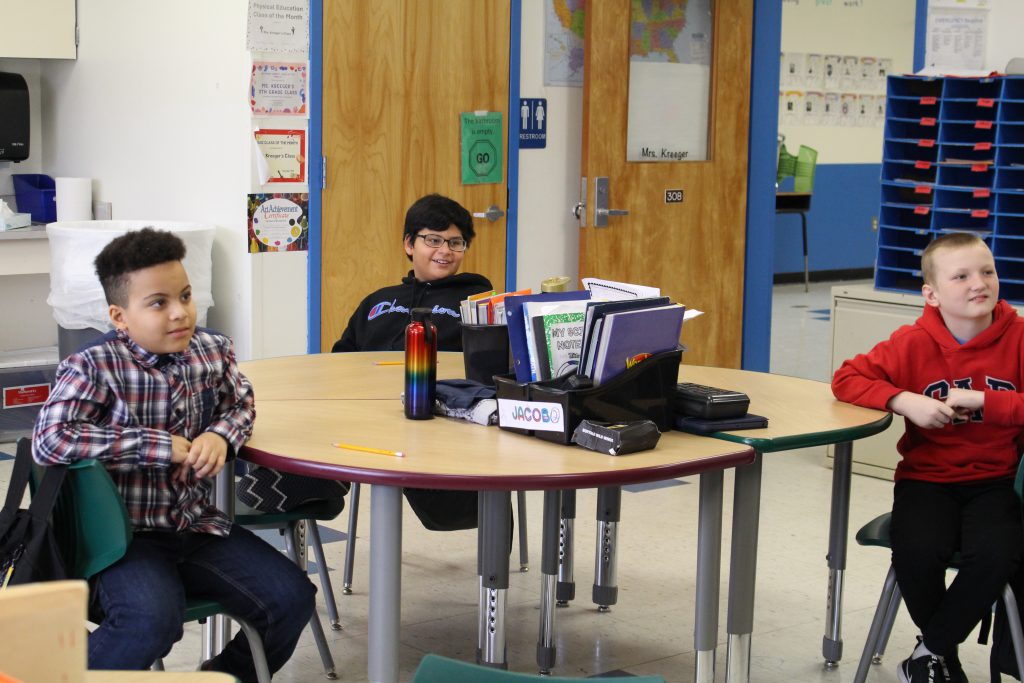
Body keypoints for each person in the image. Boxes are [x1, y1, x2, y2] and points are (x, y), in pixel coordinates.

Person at [32, 228, 315, 681]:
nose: (180, 313)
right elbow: (50, 439)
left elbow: (241, 404)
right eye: (158, 303)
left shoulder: (212, 350)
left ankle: (220, 677)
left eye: (184, 295)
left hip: (192, 525)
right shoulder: (93, 366)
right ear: (119, 316)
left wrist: (222, 436)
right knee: (151, 621)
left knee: (292, 598)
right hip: (120, 541)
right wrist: (154, 445)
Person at [832, 232, 1024, 683]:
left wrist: (985, 402)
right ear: (932, 294)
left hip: (995, 481)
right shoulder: (912, 341)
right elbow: (847, 378)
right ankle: (942, 658)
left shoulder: (1017, 338)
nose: (979, 283)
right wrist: (902, 399)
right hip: (926, 480)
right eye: (961, 276)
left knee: (998, 556)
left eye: (987, 272)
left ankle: (929, 652)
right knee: (917, 552)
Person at [333, 193, 493, 530]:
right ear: (409, 244)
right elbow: (340, 360)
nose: (445, 251)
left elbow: (484, 371)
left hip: (433, 419)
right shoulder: (377, 301)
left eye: (455, 242)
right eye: (433, 240)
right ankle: (309, 484)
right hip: (367, 413)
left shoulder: (475, 304)